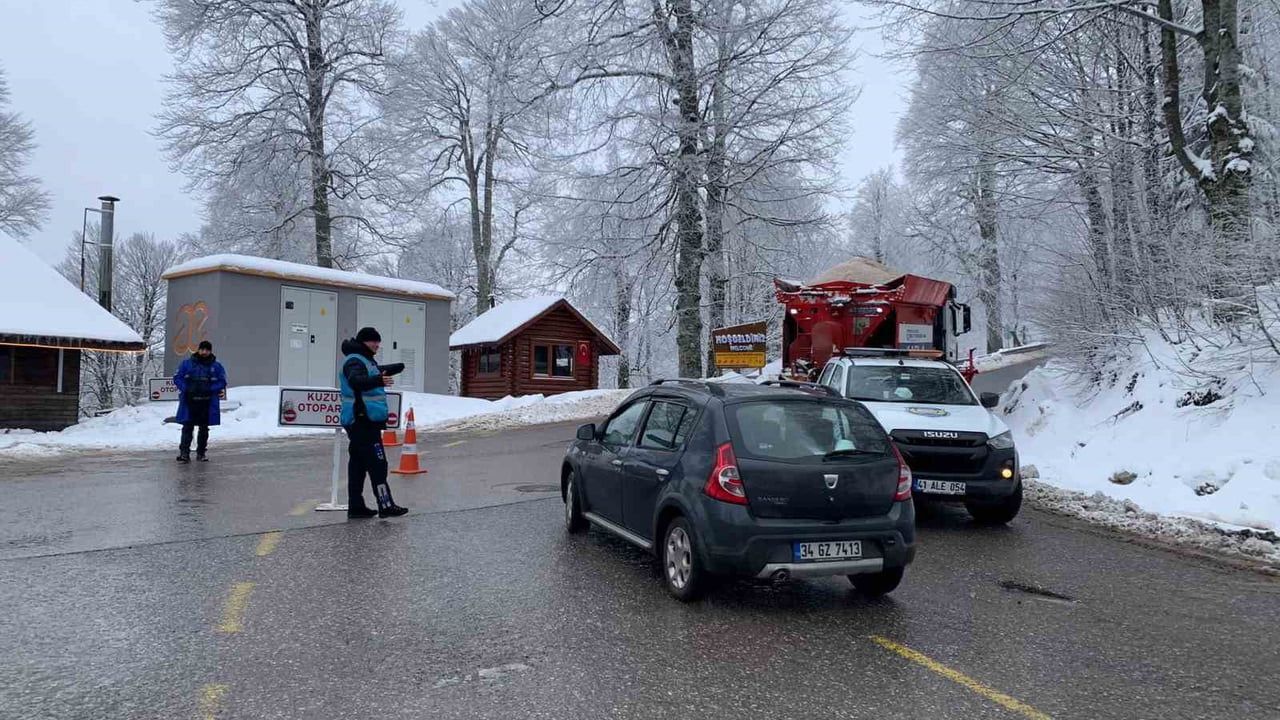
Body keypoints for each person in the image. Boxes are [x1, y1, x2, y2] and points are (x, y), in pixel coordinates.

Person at [339, 327, 408, 519]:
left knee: (358, 464)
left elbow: (373, 372)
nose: (377, 345)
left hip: (361, 420)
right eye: (373, 342)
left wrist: (396, 367)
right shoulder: (355, 360)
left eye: (378, 342)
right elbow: (356, 380)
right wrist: (379, 379)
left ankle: (356, 507)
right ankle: (385, 505)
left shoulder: (364, 359)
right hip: (362, 420)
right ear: (364, 342)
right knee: (378, 464)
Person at [174, 340, 228, 463]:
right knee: (187, 427)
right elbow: (177, 378)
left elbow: (222, 381)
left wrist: (209, 389)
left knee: (204, 428)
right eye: (202, 349)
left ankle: (201, 453)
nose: (204, 352)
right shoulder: (187, 364)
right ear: (198, 350)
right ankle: (184, 454)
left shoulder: (216, 366)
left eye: (207, 350)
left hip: (207, 402)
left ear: (210, 351)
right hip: (190, 401)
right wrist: (187, 388)